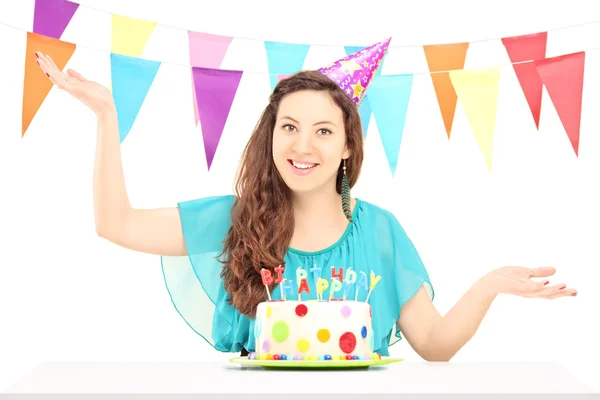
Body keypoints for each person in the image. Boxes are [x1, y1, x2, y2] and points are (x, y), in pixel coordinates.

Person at [32, 38, 577, 362]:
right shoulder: (233, 219)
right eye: (289, 126)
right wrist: (106, 116)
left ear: (346, 148)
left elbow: (433, 344)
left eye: (322, 131)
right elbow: (116, 223)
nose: (301, 144)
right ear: (271, 136)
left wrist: (488, 288)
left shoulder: (381, 233)